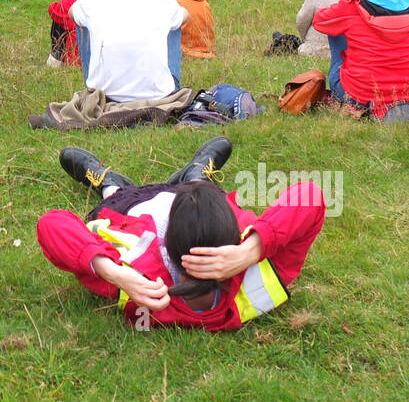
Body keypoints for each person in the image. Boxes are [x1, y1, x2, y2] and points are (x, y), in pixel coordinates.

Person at [38, 139, 324, 330]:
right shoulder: (264, 272)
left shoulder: (138, 279)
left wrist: (116, 274)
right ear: (234, 237)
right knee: (200, 190)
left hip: (131, 207)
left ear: (166, 249)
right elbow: (310, 195)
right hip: (199, 203)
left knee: (115, 193)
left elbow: (52, 223)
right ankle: (197, 174)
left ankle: (107, 181)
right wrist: (250, 252)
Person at [70, 0, 187, 102]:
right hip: (157, 100)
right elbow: (186, 15)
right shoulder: (162, 4)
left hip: (106, 100)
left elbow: (71, 12)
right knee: (174, 21)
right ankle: (171, 87)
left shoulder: (91, 2)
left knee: (82, 19)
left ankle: (94, 87)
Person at [47, 0, 103, 67]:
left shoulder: (71, 4)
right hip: (110, 60)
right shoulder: (110, 0)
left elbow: (52, 9)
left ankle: (55, 60)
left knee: (59, 19)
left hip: (79, 63)